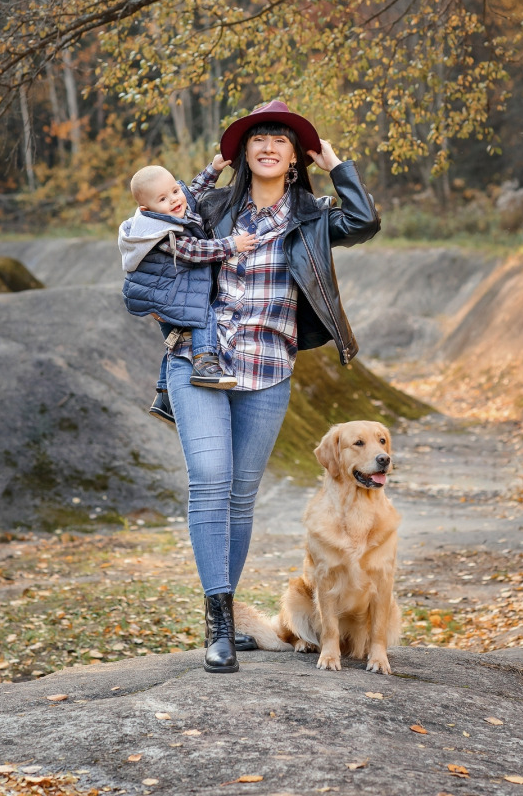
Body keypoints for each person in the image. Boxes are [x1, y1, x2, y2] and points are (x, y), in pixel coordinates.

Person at [155, 99, 381, 674]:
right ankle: (218, 624)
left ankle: (226, 610)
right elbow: (158, 229)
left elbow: (365, 222)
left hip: (268, 369)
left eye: (282, 139)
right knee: (209, 479)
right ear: (242, 152)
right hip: (200, 362)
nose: (269, 146)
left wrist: (336, 164)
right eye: (258, 138)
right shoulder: (208, 207)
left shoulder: (310, 214)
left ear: (295, 155)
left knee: (238, 496)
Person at [118, 158, 258, 390]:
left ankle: (164, 391)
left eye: (174, 190)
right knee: (203, 313)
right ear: (146, 210)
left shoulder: (167, 210)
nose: (174, 199)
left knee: (178, 337)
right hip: (160, 294)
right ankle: (206, 365)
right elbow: (195, 251)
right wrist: (232, 245)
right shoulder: (161, 234)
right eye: (163, 199)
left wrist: (213, 169)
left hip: (157, 290)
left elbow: (192, 192)